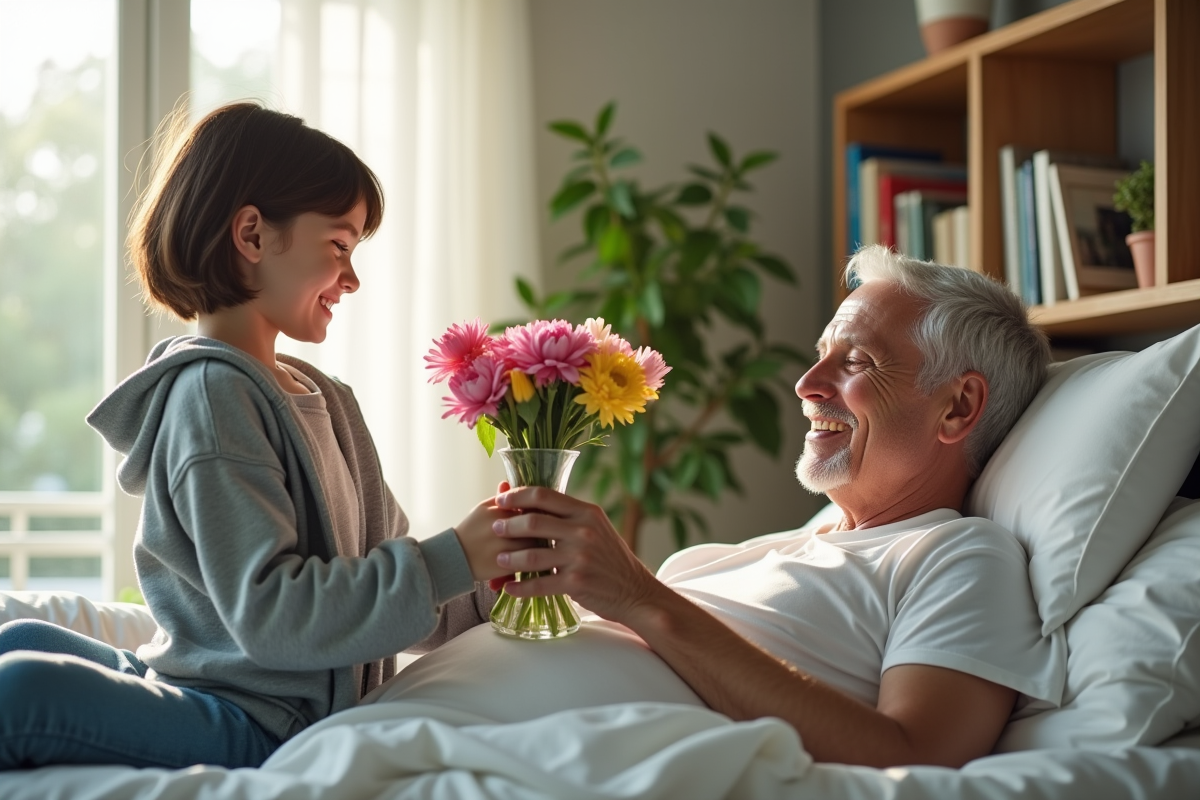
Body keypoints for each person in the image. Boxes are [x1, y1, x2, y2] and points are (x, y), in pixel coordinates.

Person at [0, 102, 532, 771]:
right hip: (244, 709)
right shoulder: (213, 396)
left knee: (20, 683)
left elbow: (387, 574)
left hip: (265, 716)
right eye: (339, 245)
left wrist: (489, 578)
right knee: (16, 648)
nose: (353, 277)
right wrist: (456, 558)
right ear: (252, 234)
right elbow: (274, 615)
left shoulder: (326, 400)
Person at [426, 244, 1065, 769]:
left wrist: (640, 595)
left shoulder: (958, 556)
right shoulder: (779, 549)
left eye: (857, 362)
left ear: (957, 406)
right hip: (445, 736)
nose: (806, 385)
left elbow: (916, 755)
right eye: (821, 357)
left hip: (505, 764)